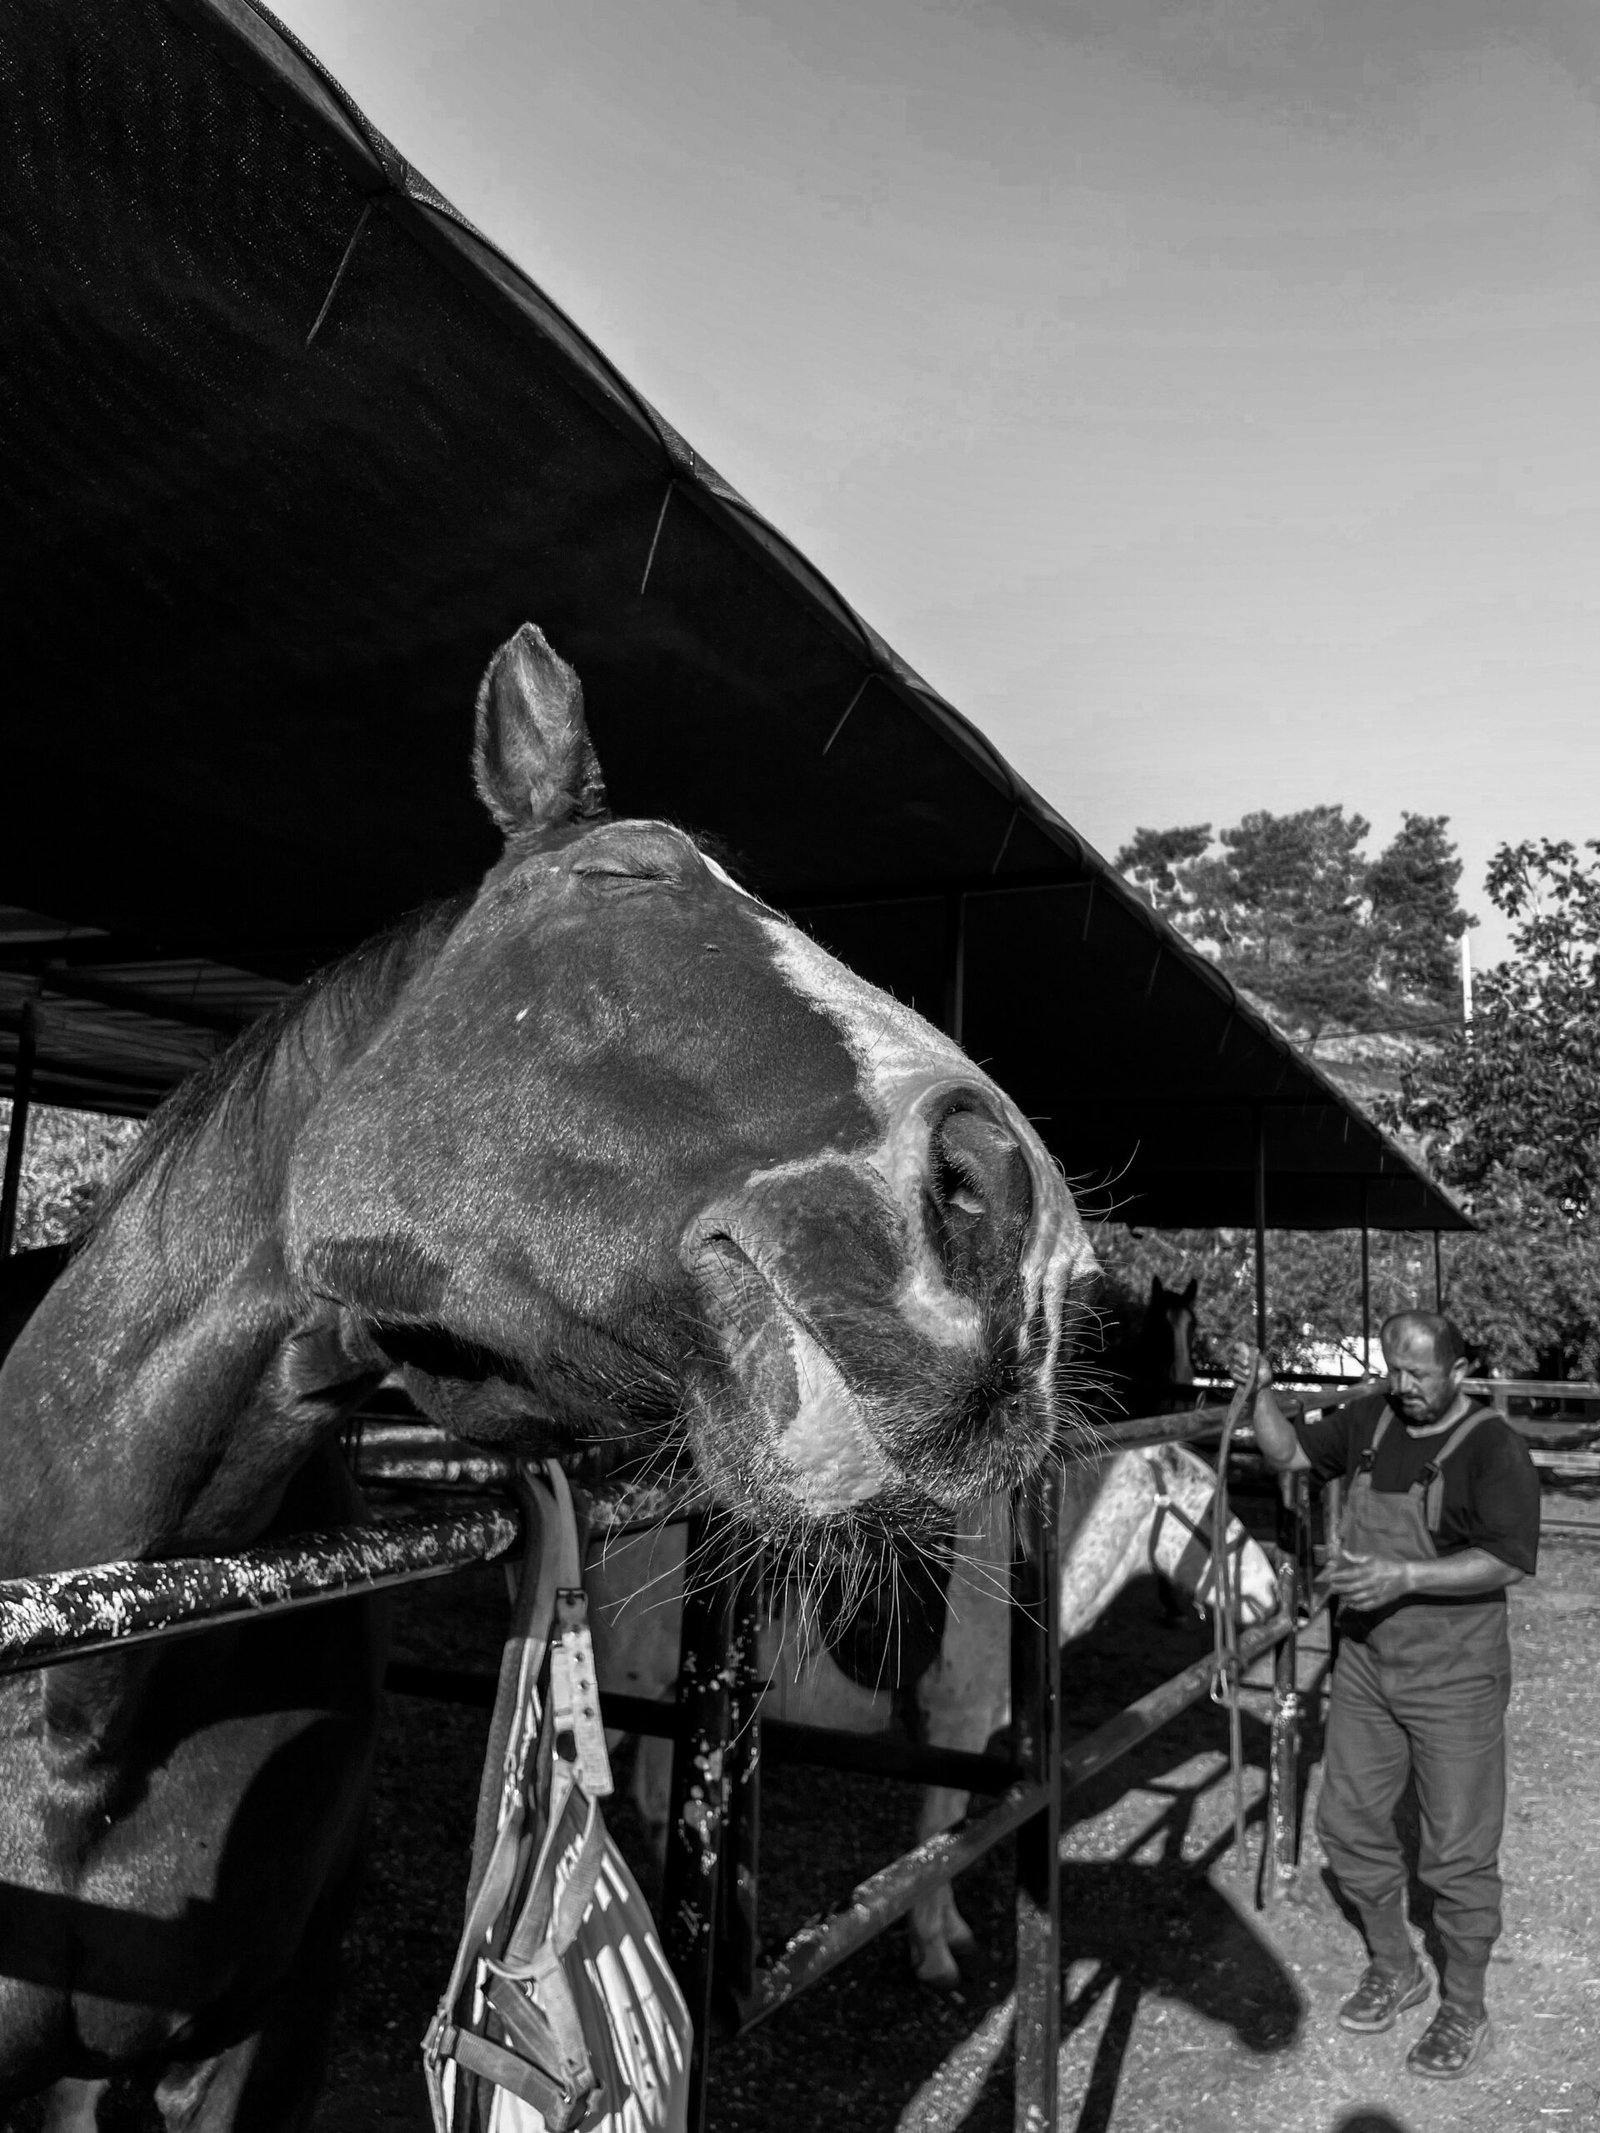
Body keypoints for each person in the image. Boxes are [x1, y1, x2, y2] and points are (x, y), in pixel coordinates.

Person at [1229, 1311, 1540, 2080]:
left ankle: (1464, 2008)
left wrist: (1406, 1575)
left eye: (1419, 1374)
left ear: (1459, 1372)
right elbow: (1292, 1454)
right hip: (1366, 1660)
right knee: (1348, 1822)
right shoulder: (1371, 1416)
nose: (1402, 1386)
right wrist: (1261, 1393)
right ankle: (1397, 1965)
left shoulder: (1492, 1448)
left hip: (1455, 1676)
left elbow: (1505, 1560)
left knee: (1458, 1853)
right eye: (1394, 1369)